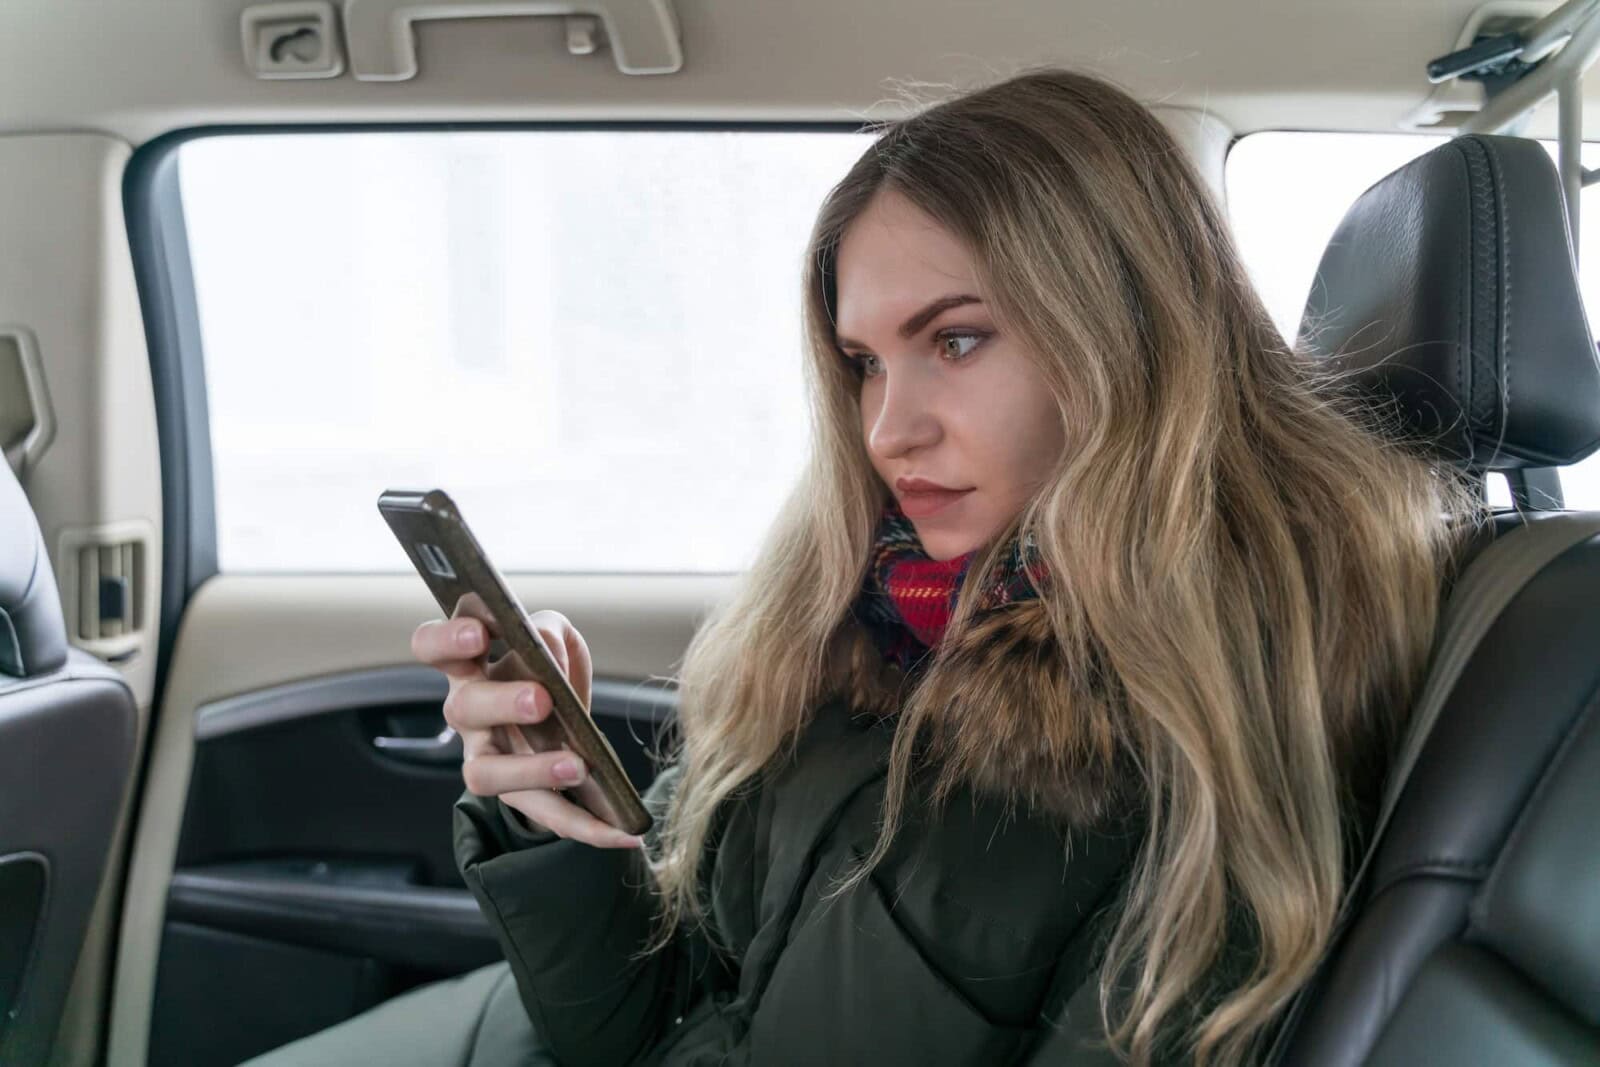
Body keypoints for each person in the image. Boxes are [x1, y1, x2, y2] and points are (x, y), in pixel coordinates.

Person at [241, 67, 1477, 1067]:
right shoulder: (875, 616)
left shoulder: (1202, 716)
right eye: (864, 362)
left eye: (955, 338)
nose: (888, 429)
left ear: (1124, 326)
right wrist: (553, 826)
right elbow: (655, 1013)